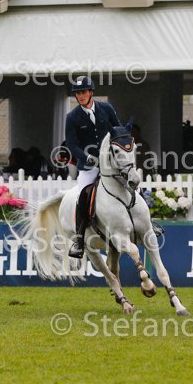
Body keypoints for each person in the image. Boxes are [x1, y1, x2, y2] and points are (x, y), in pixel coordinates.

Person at [65, 76, 121, 258]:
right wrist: (85, 157)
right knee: (82, 196)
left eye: (83, 92)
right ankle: (79, 240)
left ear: (90, 92)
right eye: (77, 93)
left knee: (132, 181)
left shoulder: (106, 108)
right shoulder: (72, 117)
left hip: (110, 163)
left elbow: (118, 130)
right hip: (89, 166)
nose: (80, 95)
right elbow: (71, 144)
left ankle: (148, 223)